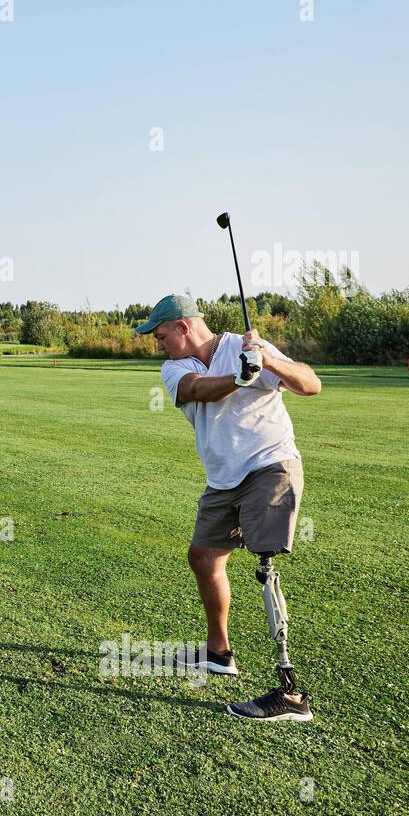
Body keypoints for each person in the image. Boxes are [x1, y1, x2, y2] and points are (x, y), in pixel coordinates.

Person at [134, 294, 322, 721]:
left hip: (269, 465)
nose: (157, 344)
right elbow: (198, 391)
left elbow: (311, 384)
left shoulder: (247, 344)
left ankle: (291, 694)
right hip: (223, 480)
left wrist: (267, 362)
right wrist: (240, 377)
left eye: (160, 335)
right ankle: (219, 654)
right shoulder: (175, 367)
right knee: (202, 557)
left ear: (183, 327)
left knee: (266, 565)